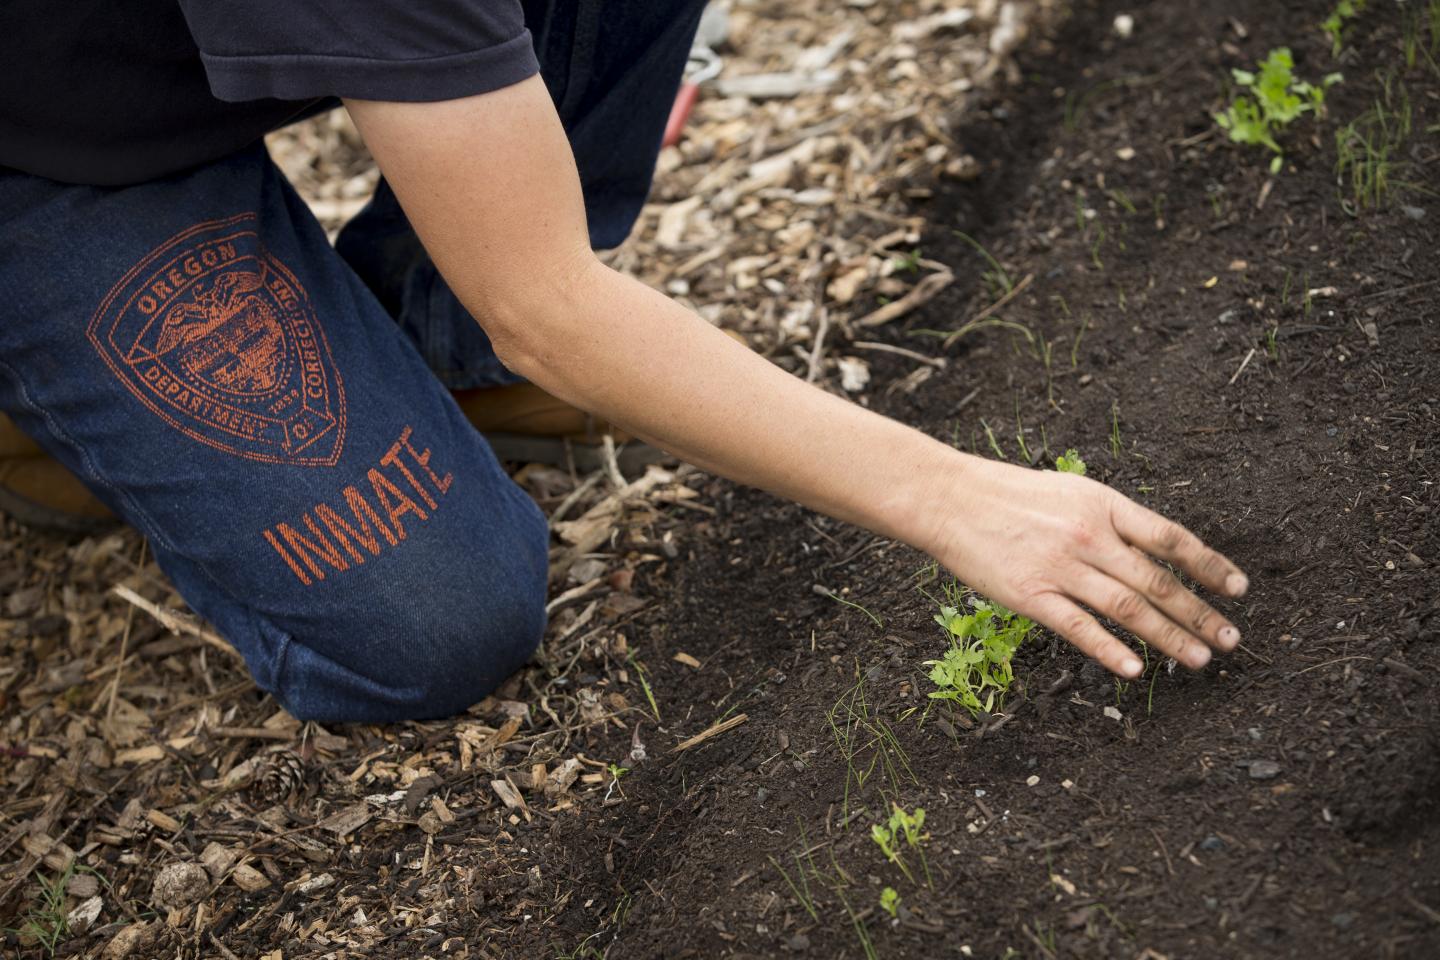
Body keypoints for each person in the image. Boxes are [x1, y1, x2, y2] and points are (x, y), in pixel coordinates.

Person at [0, 1, 1248, 724]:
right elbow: (552, 306)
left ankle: (438, 342)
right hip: (53, 145)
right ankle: (50, 409)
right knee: (438, 624)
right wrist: (952, 493)